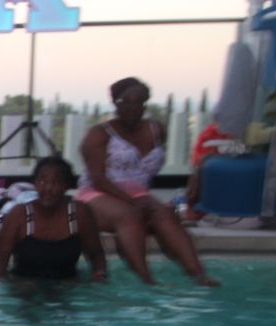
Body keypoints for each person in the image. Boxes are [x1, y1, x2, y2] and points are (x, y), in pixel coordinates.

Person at [77, 76, 217, 286]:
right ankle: (146, 279)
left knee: (165, 215)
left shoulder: (156, 130)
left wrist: (139, 200)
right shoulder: (99, 134)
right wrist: (131, 201)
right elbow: (98, 179)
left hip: (137, 193)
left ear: (145, 104)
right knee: (129, 215)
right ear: (115, 103)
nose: (133, 107)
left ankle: (198, 275)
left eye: (139, 102)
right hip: (98, 193)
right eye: (126, 101)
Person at [0, 156, 107, 282]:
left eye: (55, 182)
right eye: (42, 182)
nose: (48, 189)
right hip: (25, 288)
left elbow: (96, 254)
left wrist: (100, 277)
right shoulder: (19, 215)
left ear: (66, 186)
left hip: (68, 288)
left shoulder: (79, 213)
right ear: (35, 184)